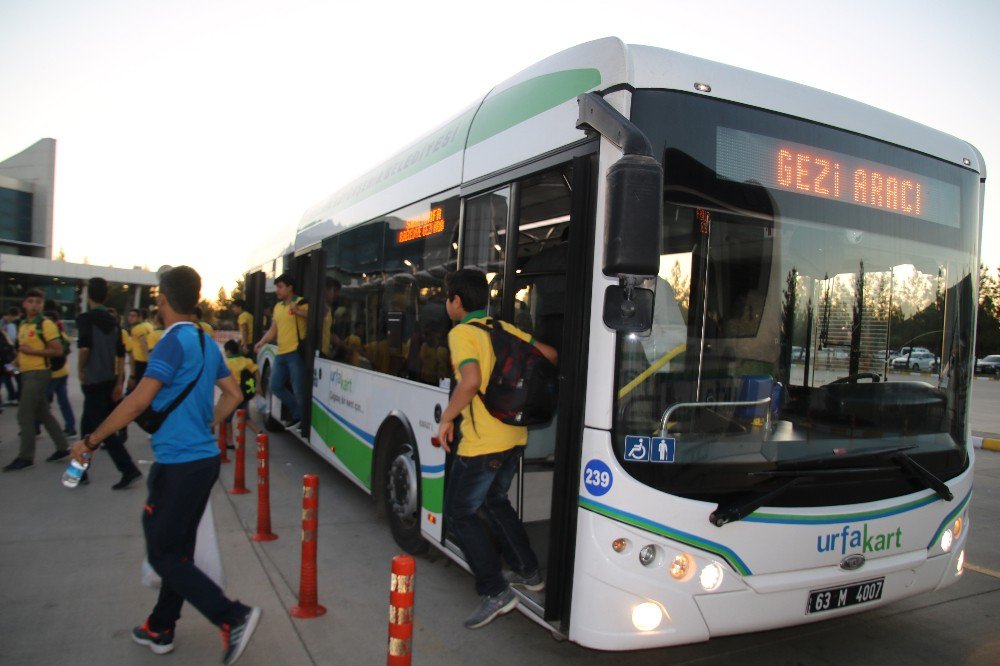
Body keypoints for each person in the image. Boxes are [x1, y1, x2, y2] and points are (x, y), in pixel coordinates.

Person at [69, 266, 261, 664]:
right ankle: (161, 626)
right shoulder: (206, 342)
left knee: (161, 551)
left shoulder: (172, 342)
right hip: (203, 460)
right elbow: (232, 394)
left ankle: (232, 616)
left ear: (163, 299)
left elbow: (139, 400)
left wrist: (90, 440)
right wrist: (210, 423)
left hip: (179, 465)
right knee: (177, 550)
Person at [437, 269, 558, 629]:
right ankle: (529, 571)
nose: (447, 305)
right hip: (514, 438)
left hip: (482, 445)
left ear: (457, 301)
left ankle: (495, 591)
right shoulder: (503, 329)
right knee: (495, 502)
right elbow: (550, 355)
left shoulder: (461, 334)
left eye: (447, 298)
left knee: (460, 514)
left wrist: (447, 418)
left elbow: (471, 381)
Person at [76, 277, 143, 489]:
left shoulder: (86, 319)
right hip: (108, 381)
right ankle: (79, 471)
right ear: (106, 296)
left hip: (93, 380)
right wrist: (118, 382)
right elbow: (121, 354)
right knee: (87, 425)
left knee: (101, 431)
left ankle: (128, 469)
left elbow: (85, 347)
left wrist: (80, 369)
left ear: (89, 296)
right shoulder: (114, 321)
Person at [3, 289, 71, 471]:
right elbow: (21, 349)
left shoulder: (45, 324)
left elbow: (56, 350)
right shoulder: (24, 324)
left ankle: (26, 457)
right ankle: (63, 447)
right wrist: (14, 362)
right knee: (42, 412)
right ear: (24, 304)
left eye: (38, 302)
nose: (35, 305)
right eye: (31, 301)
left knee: (24, 413)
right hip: (26, 373)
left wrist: (32, 352)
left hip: (39, 373)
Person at [253, 273, 307, 428]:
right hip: (281, 353)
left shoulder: (301, 302)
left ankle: (302, 419)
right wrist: (261, 342)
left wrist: (298, 312)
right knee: (275, 386)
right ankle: (298, 413)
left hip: (295, 353)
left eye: (280, 287)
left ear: (290, 288)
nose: (277, 290)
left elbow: (314, 317)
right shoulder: (278, 307)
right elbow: (273, 330)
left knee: (298, 389)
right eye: (277, 287)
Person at [44, 310, 76, 436]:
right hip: (63, 371)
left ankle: (35, 426)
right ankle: (70, 426)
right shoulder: (61, 334)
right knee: (63, 401)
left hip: (52, 373)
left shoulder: (49, 335)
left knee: (41, 403)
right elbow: (67, 349)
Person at [222, 339, 258, 448]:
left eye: (225, 351)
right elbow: (256, 371)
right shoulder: (246, 361)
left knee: (228, 418)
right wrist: (259, 386)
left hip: (233, 394)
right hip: (244, 394)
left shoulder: (227, 364)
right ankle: (260, 433)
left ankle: (230, 442)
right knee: (245, 417)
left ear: (228, 351)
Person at [127, 308, 153, 392]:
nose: (130, 318)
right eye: (129, 315)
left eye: (133, 316)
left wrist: (148, 361)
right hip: (145, 361)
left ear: (139, 317)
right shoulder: (148, 325)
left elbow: (144, 344)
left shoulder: (138, 329)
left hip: (140, 362)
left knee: (134, 389)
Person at [2, 307, 22, 404]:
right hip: (12, 354)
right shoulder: (19, 323)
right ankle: (17, 396)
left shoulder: (11, 325)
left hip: (9, 355)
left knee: (8, 376)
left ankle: (14, 396)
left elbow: (12, 341)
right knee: (15, 375)